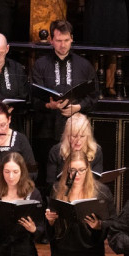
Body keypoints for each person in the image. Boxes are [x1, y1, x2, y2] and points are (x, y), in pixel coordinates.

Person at [31, 20, 98, 184]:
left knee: (77, 174)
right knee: (48, 177)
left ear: (72, 39)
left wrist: (78, 107)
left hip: (77, 132)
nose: (63, 45)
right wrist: (49, 105)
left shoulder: (84, 65)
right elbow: (33, 98)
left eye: (66, 40)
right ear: (51, 40)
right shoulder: (40, 65)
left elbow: (94, 96)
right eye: (59, 40)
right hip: (47, 129)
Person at [46, 113, 104, 184]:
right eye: (74, 136)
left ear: (88, 136)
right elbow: (51, 183)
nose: (78, 141)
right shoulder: (56, 151)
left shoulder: (95, 151)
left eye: (82, 136)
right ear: (67, 136)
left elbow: (96, 181)